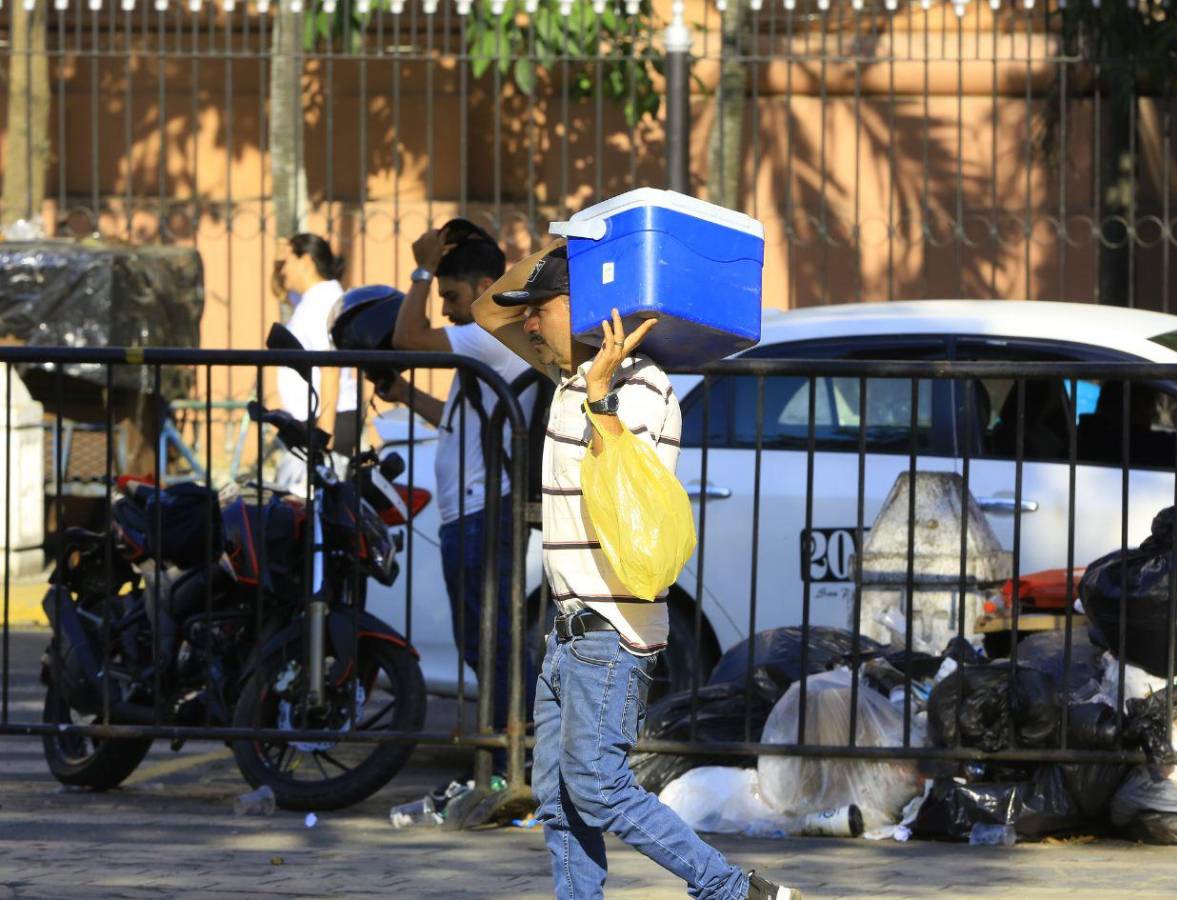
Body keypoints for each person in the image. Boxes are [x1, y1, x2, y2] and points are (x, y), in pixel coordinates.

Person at [472, 241, 801, 900]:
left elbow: (633, 494)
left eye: (541, 308)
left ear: (589, 305)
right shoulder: (568, 379)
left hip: (611, 629)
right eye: (528, 312)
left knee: (601, 791)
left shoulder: (640, 386)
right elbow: (487, 311)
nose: (528, 324)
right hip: (566, 635)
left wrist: (601, 401)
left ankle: (732, 891)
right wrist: (576, 245)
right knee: (562, 803)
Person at [384, 219, 531, 772]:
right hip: (468, 513)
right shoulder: (485, 344)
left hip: (481, 513)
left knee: (492, 646)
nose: (443, 308)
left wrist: (420, 270)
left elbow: (406, 340)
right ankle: (512, 758)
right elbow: (457, 421)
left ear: (484, 288)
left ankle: (512, 763)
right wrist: (404, 395)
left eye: (450, 295)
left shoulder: (490, 332)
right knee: (485, 645)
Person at [272, 233, 351, 487]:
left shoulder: (323, 301)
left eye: (287, 262)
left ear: (305, 260)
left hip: (326, 418)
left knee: (317, 509)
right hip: (318, 417)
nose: (283, 270)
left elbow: (331, 368)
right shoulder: (313, 297)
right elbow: (279, 290)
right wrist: (278, 261)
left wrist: (324, 435)